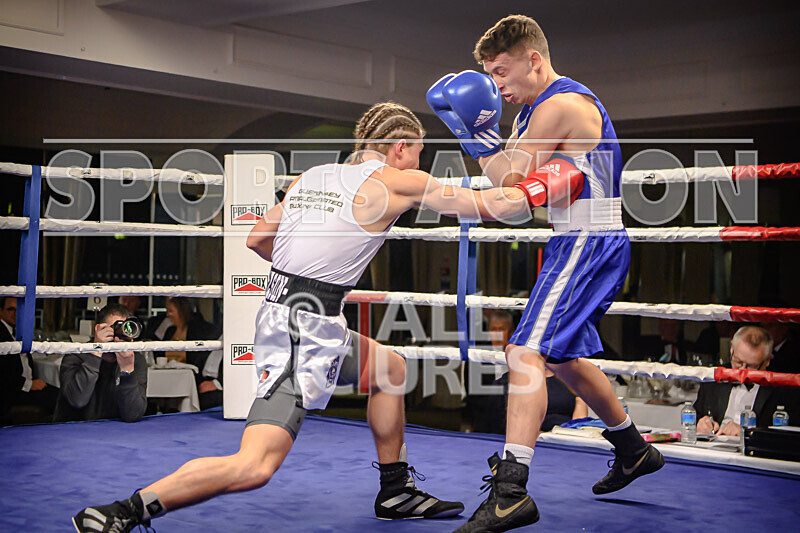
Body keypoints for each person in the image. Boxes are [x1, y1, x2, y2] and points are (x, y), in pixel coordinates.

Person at [72, 101, 546, 532]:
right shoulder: (399, 181)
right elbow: (491, 207)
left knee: (390, 368)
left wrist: (307, 272)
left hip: (291, 313)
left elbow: (258, 239)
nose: (419, 164)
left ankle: (395, 490)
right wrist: (543, 184)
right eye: (417, 153)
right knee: (254, 466)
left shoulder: (311, 177)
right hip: (304, 331)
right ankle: (126, 510)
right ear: (400, 146)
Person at [428, 15, 664, 531]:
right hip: (571, 240)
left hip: (589, 239)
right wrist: (478, 136)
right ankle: (633, 449)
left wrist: (478, 137)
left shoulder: (561, 105)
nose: (498, 85)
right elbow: (509, 189)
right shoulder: (528, 115)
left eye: (502, 71)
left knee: (524, 352)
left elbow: (510, 188)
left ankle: (511, 491)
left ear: (534, 58)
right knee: (558, 356)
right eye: (490, 75)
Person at [695, 326, 800, 435]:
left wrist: (747, 433)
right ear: (731, 348)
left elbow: (791, 436)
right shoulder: (714, 378)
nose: (743, 372)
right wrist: (700, 423)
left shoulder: (784, 388)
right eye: (738, 362)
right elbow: (694, 415)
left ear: (767, 360)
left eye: (751, 367)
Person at [53, 303, 148, 423]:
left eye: (125, 329)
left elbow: (133, 414)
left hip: (115, 432)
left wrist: (127, 369)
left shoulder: (134, 360)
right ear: (98, 329)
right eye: (114, 328)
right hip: (75, 429)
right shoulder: (76, 354)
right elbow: (78, 400)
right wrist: (96, 352)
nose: (118, 335)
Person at [0, 296, 57, 424]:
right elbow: (3, 373)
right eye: (10, 309)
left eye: (18, 309)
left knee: (61, 393)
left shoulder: (17, 331)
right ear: (1, 311)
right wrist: (29, 384)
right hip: (11, 394)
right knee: (59, 397)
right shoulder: (1, 333)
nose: (15, 313)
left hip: (21, 388)